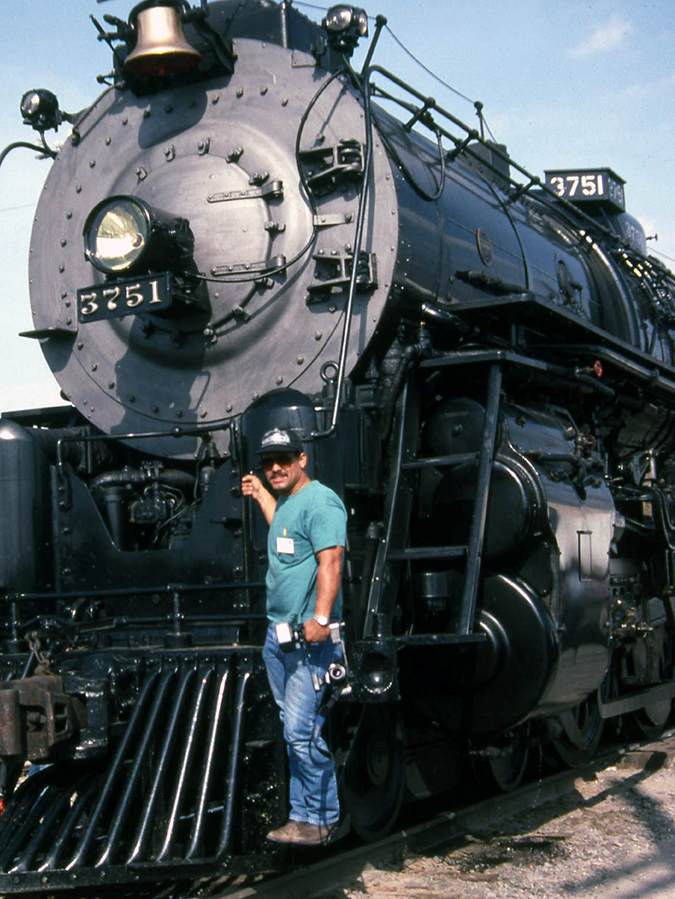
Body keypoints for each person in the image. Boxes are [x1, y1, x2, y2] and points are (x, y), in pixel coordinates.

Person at [241, 427, 347, 847]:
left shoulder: (320, 501)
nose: (276, 468)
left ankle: (321, 819)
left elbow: (331, 561)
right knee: (292, 726)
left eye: (284, 459)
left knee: (300, 732)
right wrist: (264, 497)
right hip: (279, 636)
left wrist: (321, 618)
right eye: (269, 462)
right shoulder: (287, 504)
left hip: (309, 639)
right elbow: (285, 536)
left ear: (303, 459)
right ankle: (302, 814)